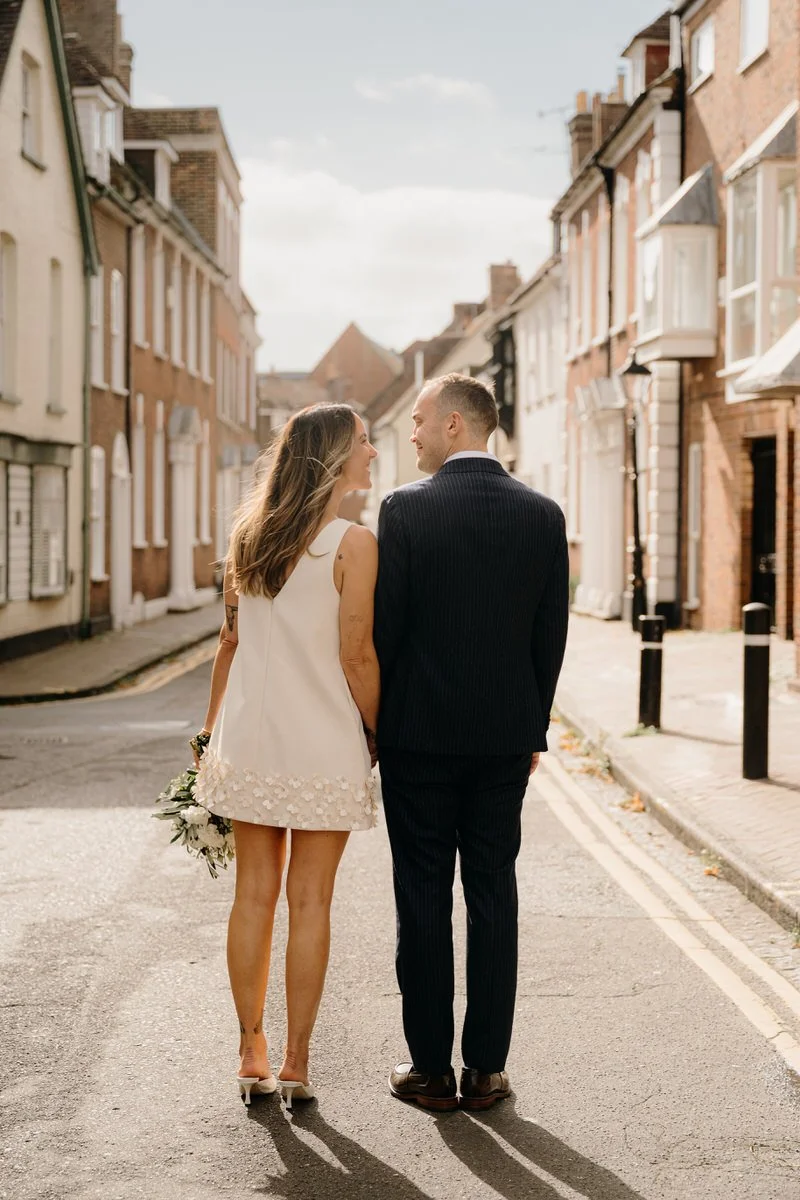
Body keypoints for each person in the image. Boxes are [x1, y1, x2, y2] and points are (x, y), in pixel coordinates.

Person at [375, 372, 569, 1113]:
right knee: (494, 894)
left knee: (421, 895)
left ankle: (430, 1070)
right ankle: (487, 1068)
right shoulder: (543, 515)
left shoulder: (405, 511)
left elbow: (385, 633)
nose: (414, 432)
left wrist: (377, 727)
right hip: (501, 742)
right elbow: (548, 637)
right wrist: (531, 727)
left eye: (420, 420)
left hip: (417, 742)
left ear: (456, 425)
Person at [193, 404, 380, 1108]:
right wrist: (381, 733)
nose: (372, 451)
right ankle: (298, 1062)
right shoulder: (352, 545)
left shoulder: (248, 537)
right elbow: (357, 654)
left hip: (249, 741)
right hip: (323, 743)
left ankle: (252, 1051)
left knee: (252, 898)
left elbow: (230, 644)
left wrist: (210, 738)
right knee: (311, 901)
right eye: (363, 442)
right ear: (333, 456)